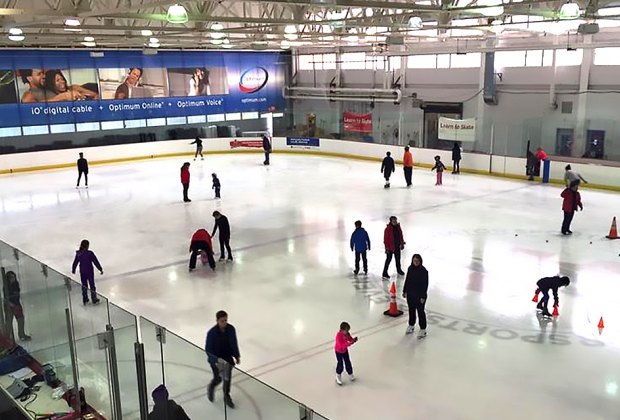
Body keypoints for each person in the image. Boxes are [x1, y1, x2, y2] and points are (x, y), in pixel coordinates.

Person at [205, 310, 240, 409]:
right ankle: (212, 386)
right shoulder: (212, 333)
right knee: (219, 378)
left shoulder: (231, 329)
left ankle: (226, 395)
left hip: (227, 358)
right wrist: (217, 360)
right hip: (216, 360)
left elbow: (234, 343)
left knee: (227, 378)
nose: (224, 323)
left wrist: (236, 356)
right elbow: (208, 349)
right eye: (222, 321)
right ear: (217, 321)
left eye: (225, 320)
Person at [403, 254, 429, 339]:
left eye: (417, 261)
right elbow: (407, 280)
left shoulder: (423, 271)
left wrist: (423, 297)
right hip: (411, 294)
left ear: (420, 261)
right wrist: (405, 291)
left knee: (420, 312)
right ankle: (411, 325)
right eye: (414, 261)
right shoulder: (410, 269)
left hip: (420, 296)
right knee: (411, 310)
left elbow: (425, 285)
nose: (416, 262)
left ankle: (423, 329)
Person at [71, 240, 103, 305]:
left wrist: (73, 269)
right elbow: (95, 261)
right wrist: (100, 269)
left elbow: (75, 262)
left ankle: (85, 299)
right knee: (92, 285)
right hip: (89, 271)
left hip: (82, 271)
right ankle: (94, 298)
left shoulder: (79, 253)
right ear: (87, 246)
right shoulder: (90, 253)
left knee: (84, 285)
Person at [3, 271, 31, 341]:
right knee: (9, 322)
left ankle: (22, 335)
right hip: (9, 306)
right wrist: (10, 304)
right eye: (11, 277)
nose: (13, 278)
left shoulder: (16, 284)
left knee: (21, 320)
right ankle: (7, 338)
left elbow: (17, 294)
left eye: (14, 277)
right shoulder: (6, 287)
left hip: (17, 304)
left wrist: (16, 305)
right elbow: (6, 298)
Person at [334, 321, 358, 386]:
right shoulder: (338, 336)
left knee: (348, 362)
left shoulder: (347, 334)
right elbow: (341, 345)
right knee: (340, 364)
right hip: (338, 351)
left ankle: (350, 373)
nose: (347, 332)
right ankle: (338, 375)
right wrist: (349, 343)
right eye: (346, 331)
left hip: (344, 351)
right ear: (342, 330)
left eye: (348, 330)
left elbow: (349, 338)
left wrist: (353, 340)